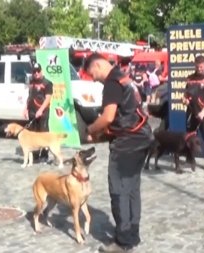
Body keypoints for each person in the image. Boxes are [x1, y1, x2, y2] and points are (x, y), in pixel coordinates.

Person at [84, 53, 153, 252]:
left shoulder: (112, 83)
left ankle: (122, 242)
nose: (94, 79)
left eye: (92, 74)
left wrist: (90, 130)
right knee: (132, 188)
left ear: (97, 65)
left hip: (127, 142)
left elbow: (107, 117)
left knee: (119, 189)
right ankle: (133, 234)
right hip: (142, 137)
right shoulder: (125, 78)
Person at [182, 55, 204, 172]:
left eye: (201, 67)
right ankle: (189, 160)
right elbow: (186, 95)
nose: (199, 69)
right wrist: (184, 100)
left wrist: (203, 112)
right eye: (197, 67)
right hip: (191, 112)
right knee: (189, 138)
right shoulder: (190, 78)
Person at [23, 62, 53, 163]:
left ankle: (44, 155)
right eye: (34, 71)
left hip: (42, 112)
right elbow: (29, 96)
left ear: (41, 71)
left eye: (38, 71)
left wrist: (40, 110)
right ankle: (35, 155)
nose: (36, 73)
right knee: (33, 134)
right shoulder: (31, 82)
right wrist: (25, 108)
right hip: (32, 112)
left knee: (43, 134)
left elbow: (48, 99)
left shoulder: (47, 83)